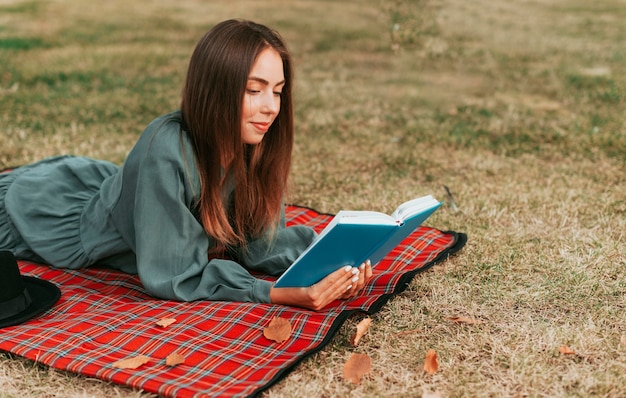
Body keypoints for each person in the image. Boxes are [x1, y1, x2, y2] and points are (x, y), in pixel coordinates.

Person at [0, 19, 373, 310]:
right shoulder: (167, 148)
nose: (271, 107)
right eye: (253, 89)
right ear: (217, 89)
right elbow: (174, 274)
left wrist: (335, 263)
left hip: (113, 189)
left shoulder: (253, 142)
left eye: (277, 91)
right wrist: (278, 293)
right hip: (41, 216)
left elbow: (259, 244)